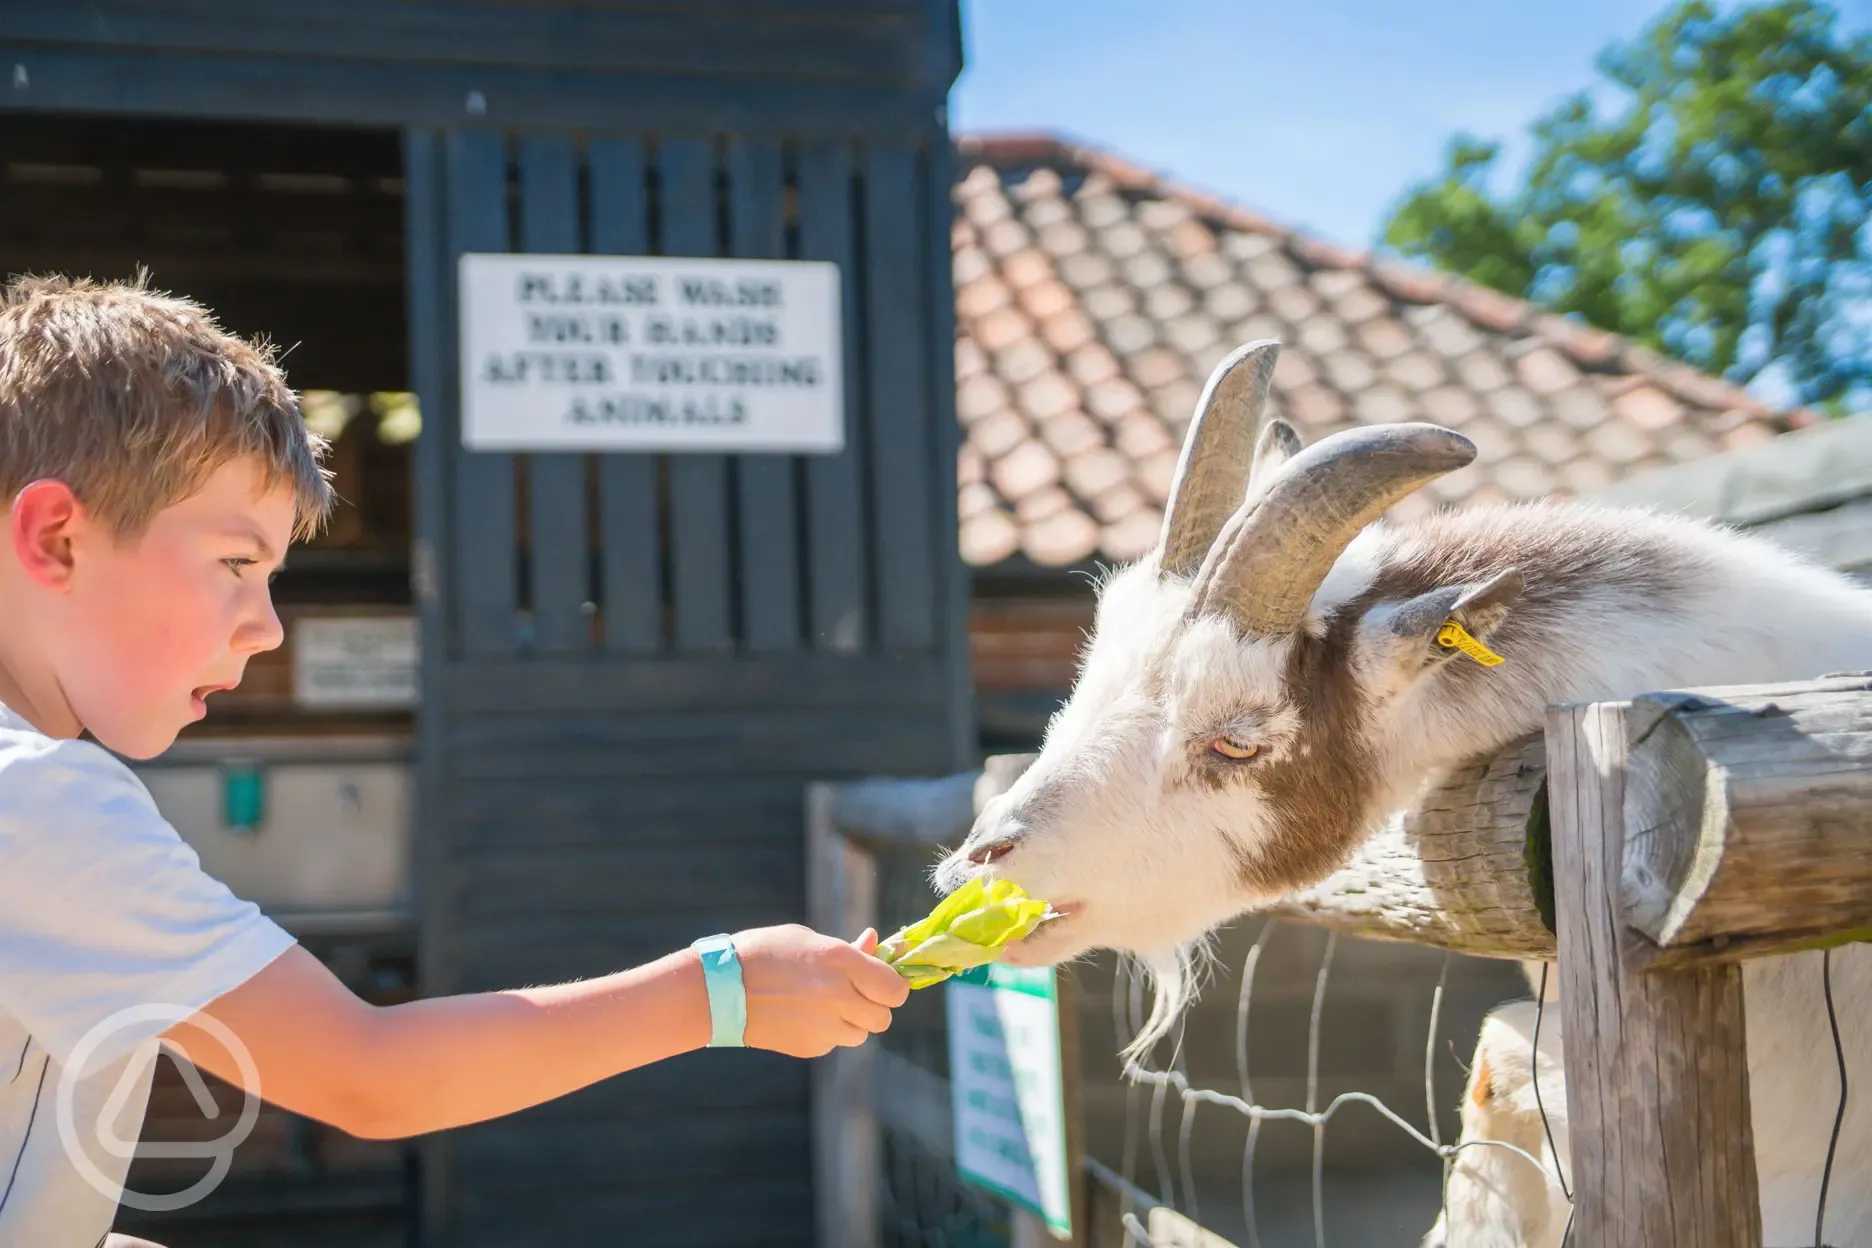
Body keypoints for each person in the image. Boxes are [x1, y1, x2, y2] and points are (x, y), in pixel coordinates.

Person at [0, 274, 909, 1248]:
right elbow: (372, 1074)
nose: (266, 628)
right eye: (235, 563)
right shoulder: (44, 799)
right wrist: (720, 991)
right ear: (57, 537)